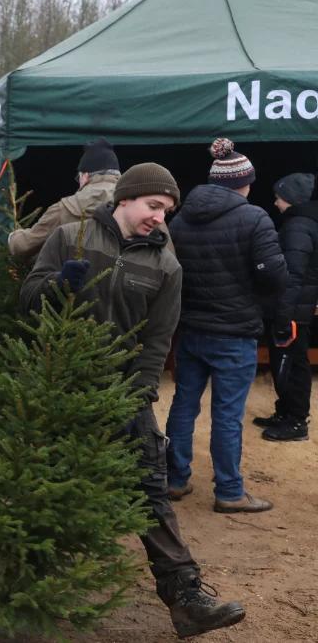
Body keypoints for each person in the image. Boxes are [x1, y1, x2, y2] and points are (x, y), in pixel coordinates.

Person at [21, 162, 246, 638]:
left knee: (150, 488)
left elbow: (158, 341)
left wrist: (136, 396)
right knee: (41, 485)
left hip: (123, 391)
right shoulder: (71, 237)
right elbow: (29, 299)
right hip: (58, 383)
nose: (159, 218)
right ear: (124, 199)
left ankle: (186, 597)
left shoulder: (166, 265)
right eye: (153, 206)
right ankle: (28, 590)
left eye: (166, 211)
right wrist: (59, 283)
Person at [164, 138, 286, 514]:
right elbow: (275, 276)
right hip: (235, 333)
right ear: (245, 182)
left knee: (184, 403)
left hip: (191, 329)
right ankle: (230, 491)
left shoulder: (180, 218)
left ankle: (174, 479)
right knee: (228, 415)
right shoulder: (254, 217)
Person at [255, 172, 318, 442]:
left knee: (291, 364)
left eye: (279, 198)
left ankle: (295, 422)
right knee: (292, 361)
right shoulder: (303, 223)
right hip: (296, 307)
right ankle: (286, 412)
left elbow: (292, 276)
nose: (276, 203)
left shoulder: (298, 227)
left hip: (291, 311)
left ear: (292, 199)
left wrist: (283, 316)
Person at [9, 137, 122, 260]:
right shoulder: (134, 203)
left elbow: (23, 246)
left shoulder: (64, 209)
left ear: (85, 176)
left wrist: (14, 236)